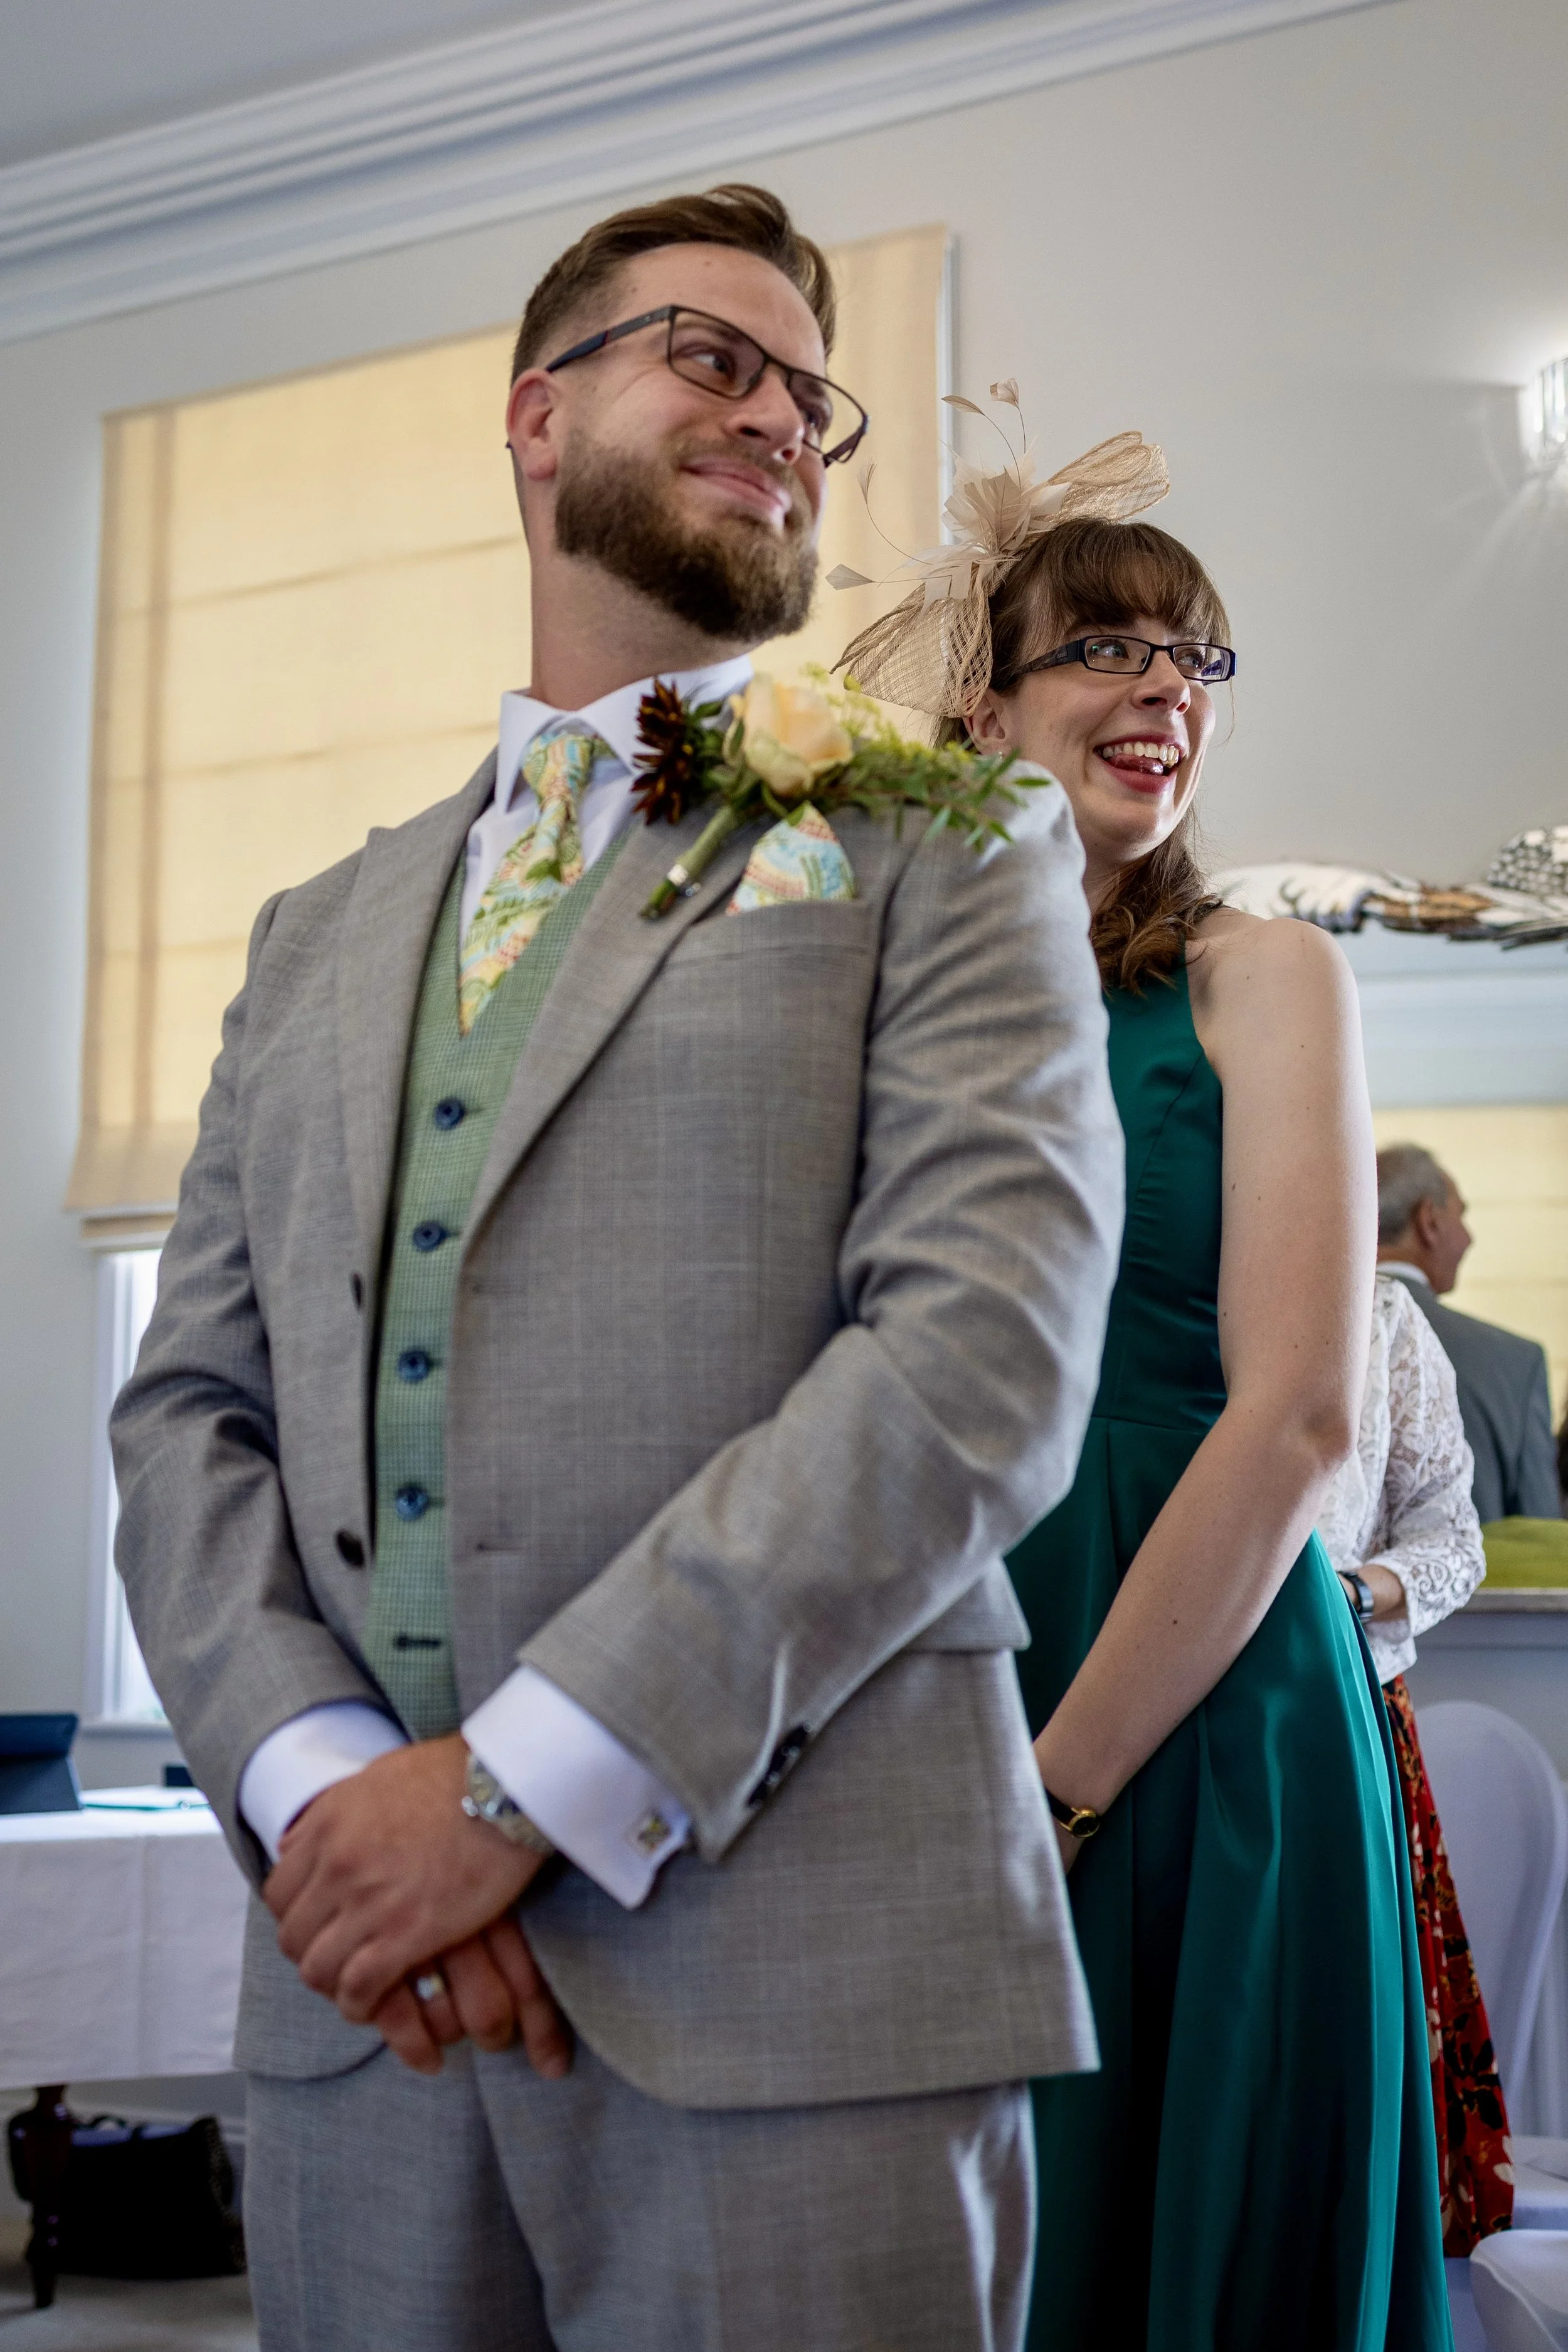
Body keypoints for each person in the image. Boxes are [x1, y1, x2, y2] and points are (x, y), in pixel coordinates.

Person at [108, 186, 1126, 2352]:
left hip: (797, 1994)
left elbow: (981, 1353)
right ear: (533, 411)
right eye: (717, 357)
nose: (784, 421)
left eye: (813, 396)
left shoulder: (946, 838)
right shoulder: (311, 935)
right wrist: (324, 1814)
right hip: (365, 2017)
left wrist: (507, 1796)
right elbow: (188, 1415)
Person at [842, 425, 1453, 2348]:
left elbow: (1296, 1415)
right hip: (937, 1648)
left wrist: (1059, 1781)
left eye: (1189, 659)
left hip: (1195, 1682)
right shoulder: (879, 985)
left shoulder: (1254, 971)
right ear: (983, 706)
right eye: (1103, 647)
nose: (1157, 691)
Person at [1318, 1270, 1511, 2257]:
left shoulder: (1381, 1313)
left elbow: (1454, 1533)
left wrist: (1350, 1592)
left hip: (1343, 1700)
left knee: (1348, 2031)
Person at [1376, 1142, 1559, 1523]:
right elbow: (1541, 1541)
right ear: (1429, 1221)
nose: (1469, 1238)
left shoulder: (1286, 1349)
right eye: (1461, 1215)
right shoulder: (1515, 1364)